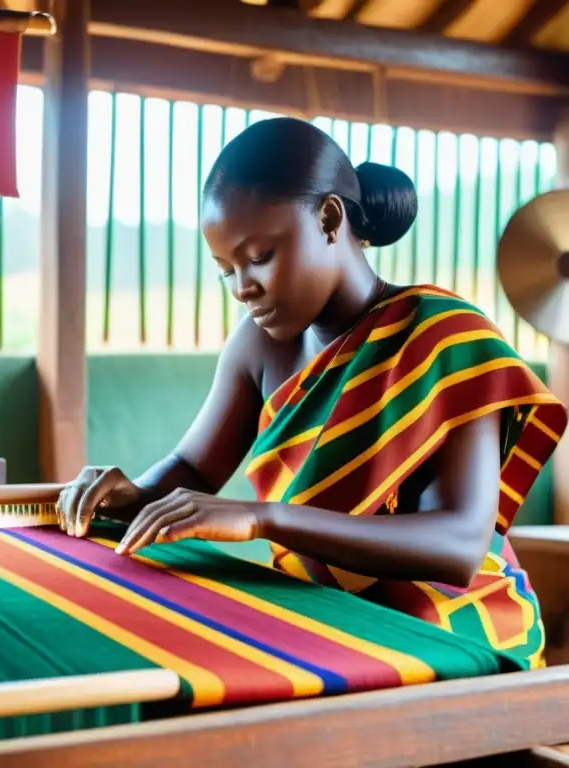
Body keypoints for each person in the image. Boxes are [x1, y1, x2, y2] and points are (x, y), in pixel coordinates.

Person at [56, 117, 567, 669]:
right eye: (226, 269)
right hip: (325, 622)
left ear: (328, 218)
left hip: (451, 632)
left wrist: (263, 519)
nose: (242, 288)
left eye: (259, 256)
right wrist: (135, 493)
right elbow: (193, 469)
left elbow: (459, 547)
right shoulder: (258, 345)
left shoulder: (444, 334)